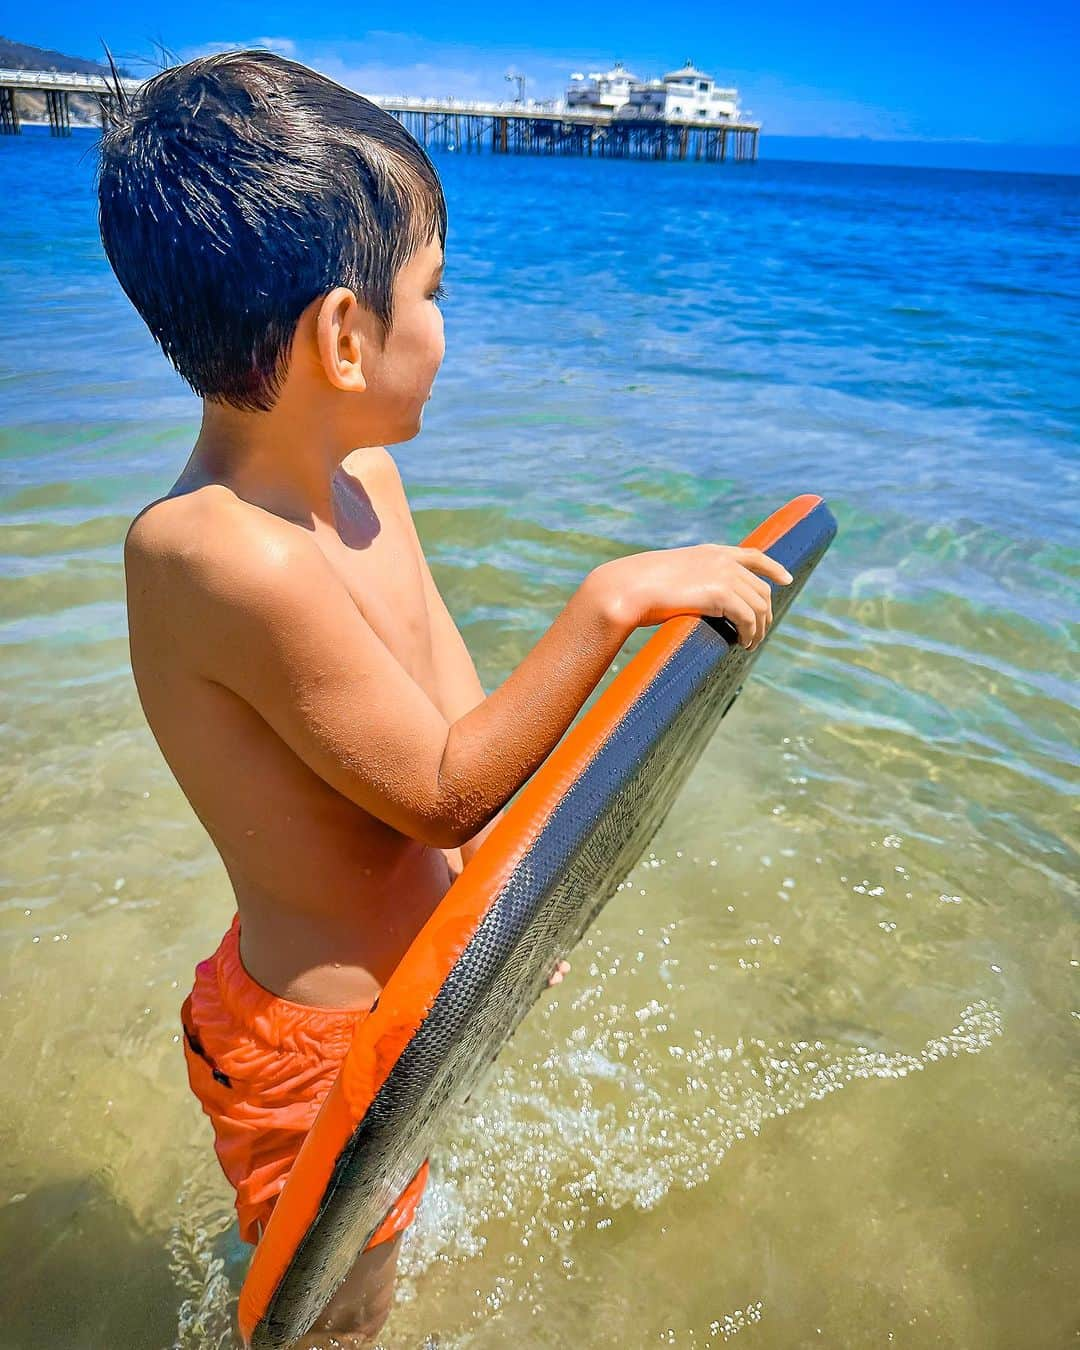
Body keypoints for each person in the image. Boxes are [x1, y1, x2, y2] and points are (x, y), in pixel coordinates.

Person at [96, 48, 791, 1347]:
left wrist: (510, 898)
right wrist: (605, 602)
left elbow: (458, 716)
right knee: (337, 1320)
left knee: (382, 1264)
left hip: (405, 1017)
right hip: (316, 1057)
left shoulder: (366, 481)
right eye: (436, 291)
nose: (450, 326)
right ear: (344, 336)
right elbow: (434, 789)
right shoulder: (214, 551)